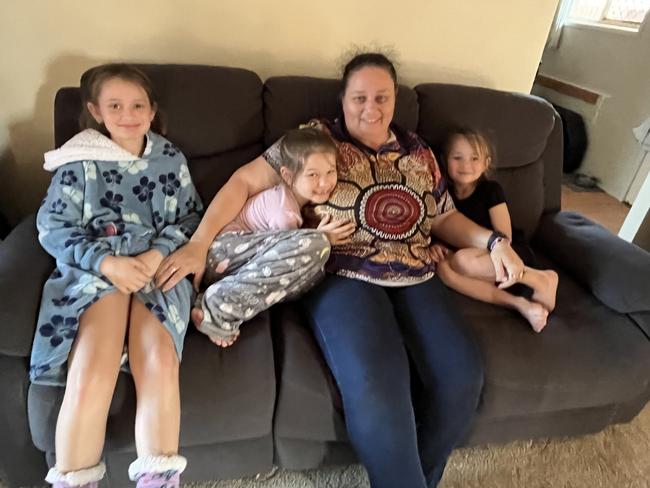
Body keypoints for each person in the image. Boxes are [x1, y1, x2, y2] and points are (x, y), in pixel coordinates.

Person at [156, 52, 525, 488]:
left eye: (382, 97)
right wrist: (200, 244)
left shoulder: (419, 151)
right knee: (379, 385)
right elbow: (244, 182)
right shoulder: (315, 138)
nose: (371, 108)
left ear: (395, 100)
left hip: (417, 272)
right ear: (342, 99)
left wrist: (493, 240)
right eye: (360, 98)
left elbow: (443, 217)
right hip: (343, 271)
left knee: (463, 377)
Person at [29, 64, 201, 488]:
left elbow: (191, 215)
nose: (128, 114)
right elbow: (52, 227)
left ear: (152, 109)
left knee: (159, 358)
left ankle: (159, 479)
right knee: (92, 367)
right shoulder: (78, 161)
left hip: (157, 265)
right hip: (96, 267)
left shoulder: (169, 158)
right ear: (95, 110)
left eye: (138, 105)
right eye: (115, 105)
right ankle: (75, 480)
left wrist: (159, 252)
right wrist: (107, 264)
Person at [192, 127, 350, 347]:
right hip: (223, 251)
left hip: (236, 262)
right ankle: (219, 307)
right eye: (313, 175)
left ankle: (215, 298)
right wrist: (322, 237)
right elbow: (289, 256)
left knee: (312, 271)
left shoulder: (294, 206)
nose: (324, 183)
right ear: (287, 175)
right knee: (316, 247)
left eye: (330, 172)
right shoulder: (283, 208)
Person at [434, 128, 559, 332]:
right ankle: (521, 305)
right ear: (444, 160)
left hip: (511, 256)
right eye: (458, 158)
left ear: (486, 163)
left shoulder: (491, 190)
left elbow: (505, 238)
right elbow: (444, 228)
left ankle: (537, 278)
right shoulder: (443, 196)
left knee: (460, 261)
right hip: (487, 272)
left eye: (475, 158)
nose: (466, 165)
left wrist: (462, 255)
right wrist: (439, 245)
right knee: (443, 270)